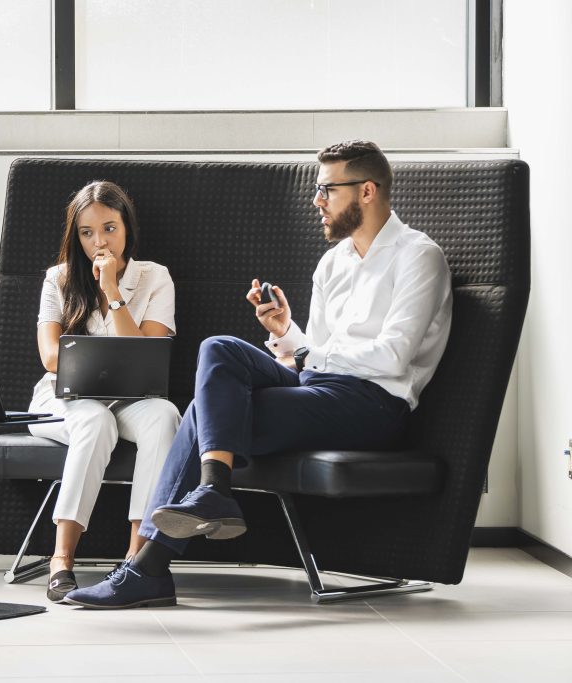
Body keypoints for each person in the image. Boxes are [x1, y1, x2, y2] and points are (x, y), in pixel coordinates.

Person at [65, 140, 453, 609]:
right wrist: (286, 332)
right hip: (320, 389)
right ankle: (211, 492)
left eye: (327, 190)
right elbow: (316, 352)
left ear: (366, 191)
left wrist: (310, 356)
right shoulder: (333, 263)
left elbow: (392, 356)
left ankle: (150, 565)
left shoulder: (417, 256)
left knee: (204, 412)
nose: (317, 201)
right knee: (219, 349)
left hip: (375, 404)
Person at [28, 180, 181, 603]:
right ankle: (62, 560)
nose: (99, 241)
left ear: (126, 227)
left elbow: (144, 353)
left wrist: (112, 290)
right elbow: (51, 358)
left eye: (109, 228)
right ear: (75, 236)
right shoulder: (58, 279)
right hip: (67, 396)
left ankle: (138, 560)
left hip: (130, 396)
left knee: (166, 415)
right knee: (95, 422)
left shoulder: (155, 278)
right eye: (87, 232)